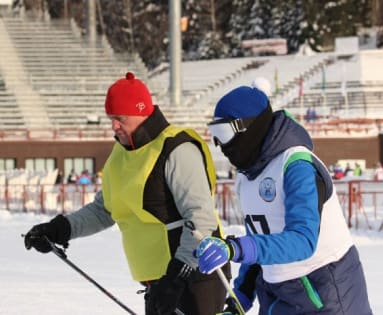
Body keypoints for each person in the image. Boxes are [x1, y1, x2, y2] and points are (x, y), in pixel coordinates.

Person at [24, 72, 229, 315]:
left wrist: (178, 275)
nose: (113, 125)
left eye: (119, 118)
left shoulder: (177, 149)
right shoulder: (121, 154)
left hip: (194, 278)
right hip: (160, 282)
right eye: (111, 118)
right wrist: (61, 229)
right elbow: (105, 209)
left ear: (141, 111)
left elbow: (201, 218)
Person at [194, 86, 372, 315]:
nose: (220, 145)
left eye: (224, 133)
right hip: (278, 295)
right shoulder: (246, 176)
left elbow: (302, 240)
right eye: (214, 135)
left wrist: (234, 248)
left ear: (248, 127)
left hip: (325, 292)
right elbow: (258, 242)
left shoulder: (297, 166)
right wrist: (240, 299)